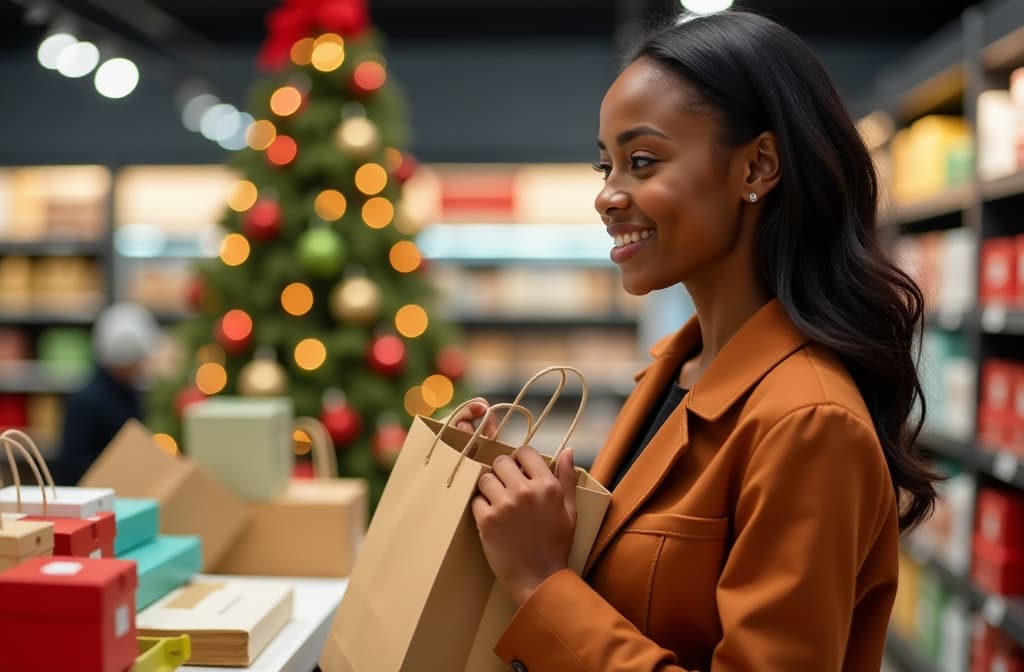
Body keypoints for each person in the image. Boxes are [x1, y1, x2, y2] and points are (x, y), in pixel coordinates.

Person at [451, 10, 938, 671]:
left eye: (642, 161)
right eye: (606, 167)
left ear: (757, 166)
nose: (608, 196)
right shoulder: (675, 372)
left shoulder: (808, 421)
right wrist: (517, 501)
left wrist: (542, 583)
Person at [54, 303, 161, 484]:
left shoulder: (130, 391)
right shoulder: (87, 402)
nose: (140, 366)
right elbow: (73, 464)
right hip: (95, 497)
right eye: (136, 360)